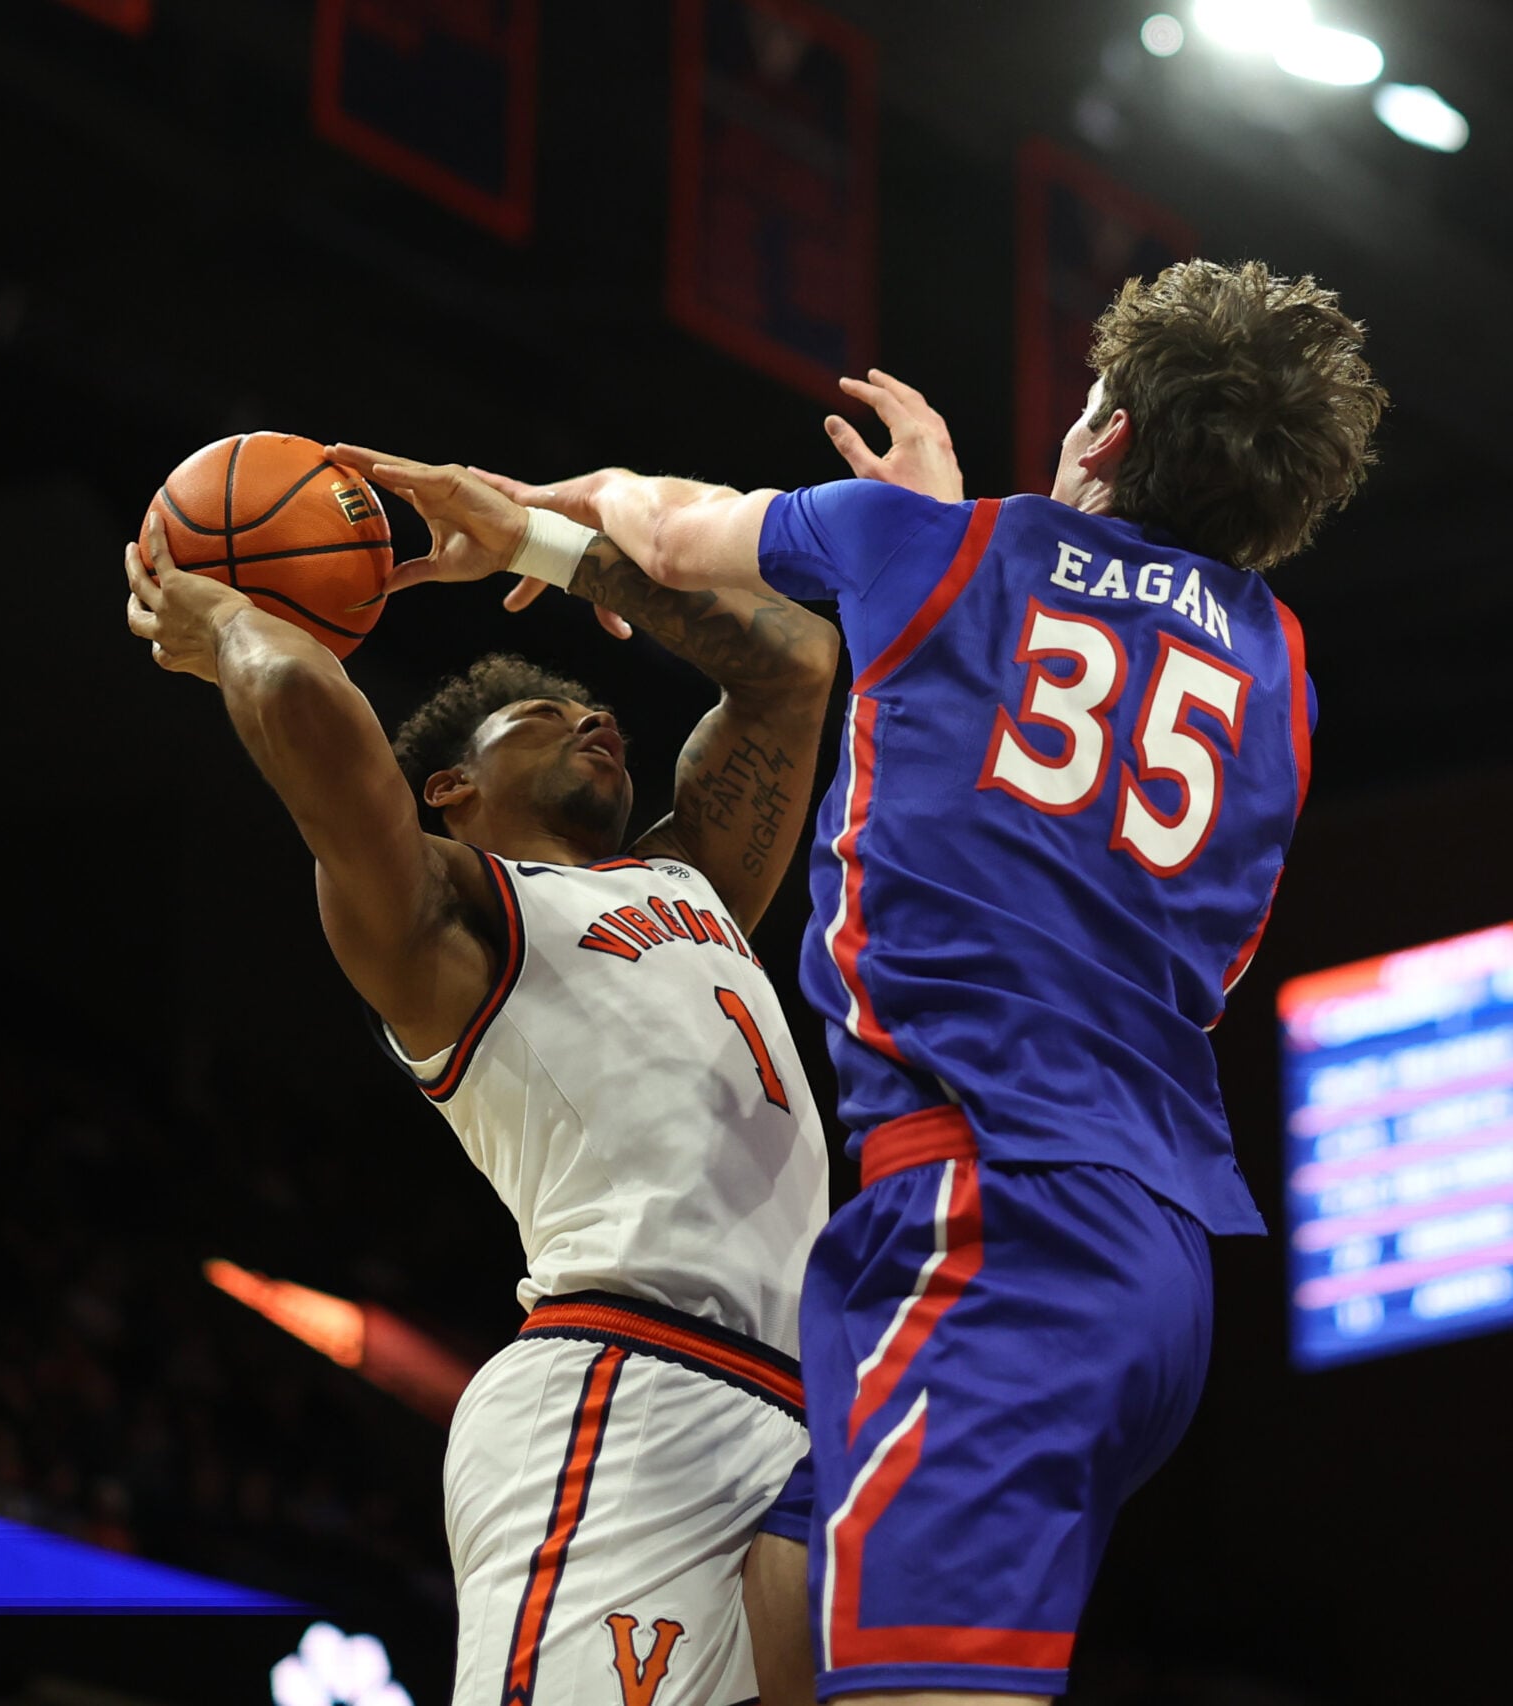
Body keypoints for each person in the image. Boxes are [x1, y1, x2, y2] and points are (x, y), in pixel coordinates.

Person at [387, 259, 1384, 1704]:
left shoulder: (935, 551)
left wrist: (525, 530)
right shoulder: (1281, 669)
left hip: (991, 1213)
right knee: (780, 1640)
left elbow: (660, 528)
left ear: (1101, 436)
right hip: (1156, 1253)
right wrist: (938, 535)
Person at [123, 469, 841, 1706]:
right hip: (627, 1385)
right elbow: (307, 705)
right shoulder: (448, 918)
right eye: (542, 713)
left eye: (590, 702)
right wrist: (229, 620)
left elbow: (794, 660)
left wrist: (554, 547)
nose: (590, 714)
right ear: (450, 787)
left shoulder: (692, 880)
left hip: (802, 1425)